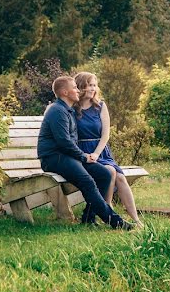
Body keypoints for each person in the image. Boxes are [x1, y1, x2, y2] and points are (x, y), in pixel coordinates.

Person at [37, 75, 132, 229]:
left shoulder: (68, 110)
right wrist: (83, 156)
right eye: (74, 88)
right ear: (65, 93)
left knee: (105, 174)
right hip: (54, 158)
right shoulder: (57, 111)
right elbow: (64, 142)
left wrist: (83, 156)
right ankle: (116, 222)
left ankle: (88, 218)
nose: (78, 90)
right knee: (87, 181)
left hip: (68, 156)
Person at [73, 72, 143, 227]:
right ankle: (109, 211)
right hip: (83, 152)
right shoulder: (73, 108)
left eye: (94, 85)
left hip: (100, 150)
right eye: (90, 85)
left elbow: (106, 134)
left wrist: (97, 153)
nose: (93, 88)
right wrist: (87, 155)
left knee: (120, 177)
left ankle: (136, 219)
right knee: (109, 173)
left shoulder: (100, 106)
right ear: (81, 86)